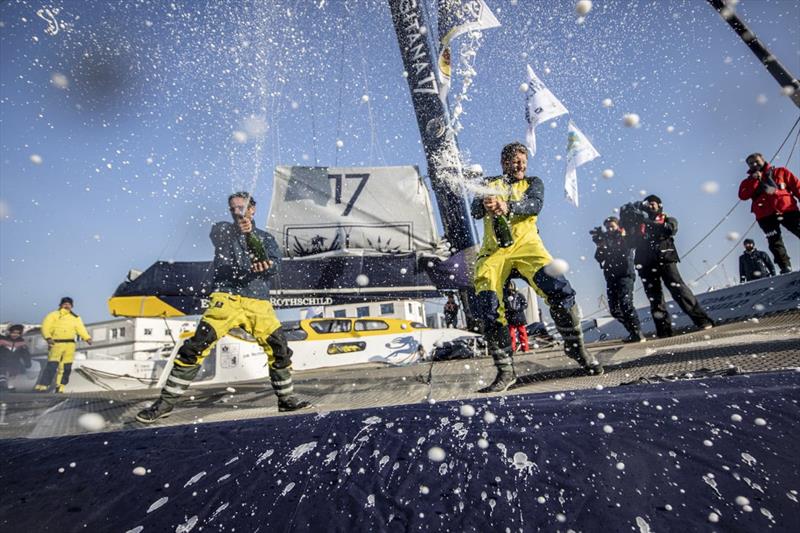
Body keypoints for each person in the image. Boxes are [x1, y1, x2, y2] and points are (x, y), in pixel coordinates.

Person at [136, 192, 310, 423]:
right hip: (225, 298)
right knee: (195, 347)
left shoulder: (266, 239)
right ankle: (165, 403)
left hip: (257, 301)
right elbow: (218, 235)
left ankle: (286, 399)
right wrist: (244, 231)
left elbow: (275, 267)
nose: (238, 212)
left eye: (243, 207)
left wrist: (266, 266)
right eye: (233, 209)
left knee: (279, 348)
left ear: (253, 209)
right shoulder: (222, 230)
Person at [471, 142, 603, 393]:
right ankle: (506, 371)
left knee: (561, 291)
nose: (521, 165)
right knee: (487, 306)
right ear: (504, 163)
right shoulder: (489, 183)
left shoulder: (534, 182)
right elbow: (475, 210)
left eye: (524, 161)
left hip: (529, 248)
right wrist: (486, 203)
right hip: (493, 253)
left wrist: (508, 206)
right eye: (515, 161)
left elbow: (534, 204)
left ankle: (577, 348)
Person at [620, 195, 714, 338]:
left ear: (660, 206)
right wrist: (628, 225)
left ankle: (702, 320)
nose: (650, 206)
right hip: (645, 263)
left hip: (666, 259)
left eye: (653, 204)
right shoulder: (639, 225)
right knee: (655, 298)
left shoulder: (667, 219)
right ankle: (664, 331)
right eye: (647, 204)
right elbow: (630, 244)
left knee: (679, 289)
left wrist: (646, 220)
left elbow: (669, 230)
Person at [738, 152, 800, 273]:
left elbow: (796, 186)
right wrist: (754, 180)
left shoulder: (781, 172)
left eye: (756, 161)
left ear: (763, 160)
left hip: (787, 209)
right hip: (765, 215)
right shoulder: (747, 182)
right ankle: (785, 266)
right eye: (751, 163)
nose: (754, 164)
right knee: (774, 241)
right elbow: (743, 195)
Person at [590, 216, 643, 342]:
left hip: (625, 274)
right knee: (614, 309)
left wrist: (621, 236)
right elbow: (599, 258)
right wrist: (600, 245)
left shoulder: (625, 237)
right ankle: (632, 331)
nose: (610, 229)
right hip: (611, 276)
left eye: (612, 226)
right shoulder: (605, 241)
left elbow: (626, 250)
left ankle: (637, 333)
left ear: (618, 226)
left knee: (626, 303)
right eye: (607, 228)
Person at [34, 297, 92, 393]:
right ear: (60, 305)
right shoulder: (53, 315)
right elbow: (45, 326)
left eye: (69, 304)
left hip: (70, 344)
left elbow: (81, 329)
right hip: (56, 343)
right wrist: (48, 338)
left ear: (72, 306)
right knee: (52, 365)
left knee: (66, 367)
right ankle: (43, 385)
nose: (66, 305)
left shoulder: (76, 317)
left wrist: (87, 338)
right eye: (64, 303)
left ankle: (60, 386)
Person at [0, 324, 31, 391]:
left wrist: (28, 362)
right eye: (13, 333)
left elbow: (25, 354)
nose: (15, 335)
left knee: (16, 370)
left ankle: (11, 385)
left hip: (15, 362)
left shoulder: (22, 343)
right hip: (2, 361)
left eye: (18, 333)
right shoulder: (3, 341)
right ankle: (2, 383)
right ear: (10, 332)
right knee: (2, 370)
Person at [503, 281, 529, 352]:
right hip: (511, 319)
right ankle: (513, 349)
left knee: (522, 334)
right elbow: (503, 306)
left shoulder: (520, 295)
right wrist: (508, 310)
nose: (510, 289)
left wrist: (519, 309)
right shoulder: (505, 297)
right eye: (509, 287)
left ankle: (525, 348)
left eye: (511, 286)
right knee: (511, 335)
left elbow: (525, 304)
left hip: (519, 318)